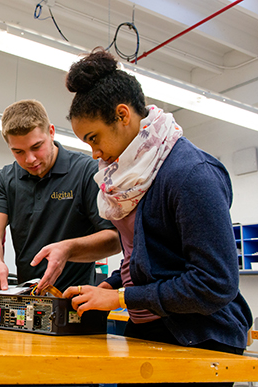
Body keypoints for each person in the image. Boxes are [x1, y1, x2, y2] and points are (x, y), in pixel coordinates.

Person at [62, 49, 253, 373]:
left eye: (94, 138)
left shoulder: (190, 174)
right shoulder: (136, 177)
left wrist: (122, 299)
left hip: (201, 337)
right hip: (153, 328)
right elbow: (149, 257)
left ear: (123, 115)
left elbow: (216, 283)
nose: (94, 153)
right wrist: (107, 287)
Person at [0, 99, 121, 293]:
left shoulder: (87, 172)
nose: (30, 159)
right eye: (18, 151)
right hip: (28, 300)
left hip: (76, 301)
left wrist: (68, 249)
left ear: (51, 132)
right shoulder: (5, 179)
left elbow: (114, 239)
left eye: (37, 146)